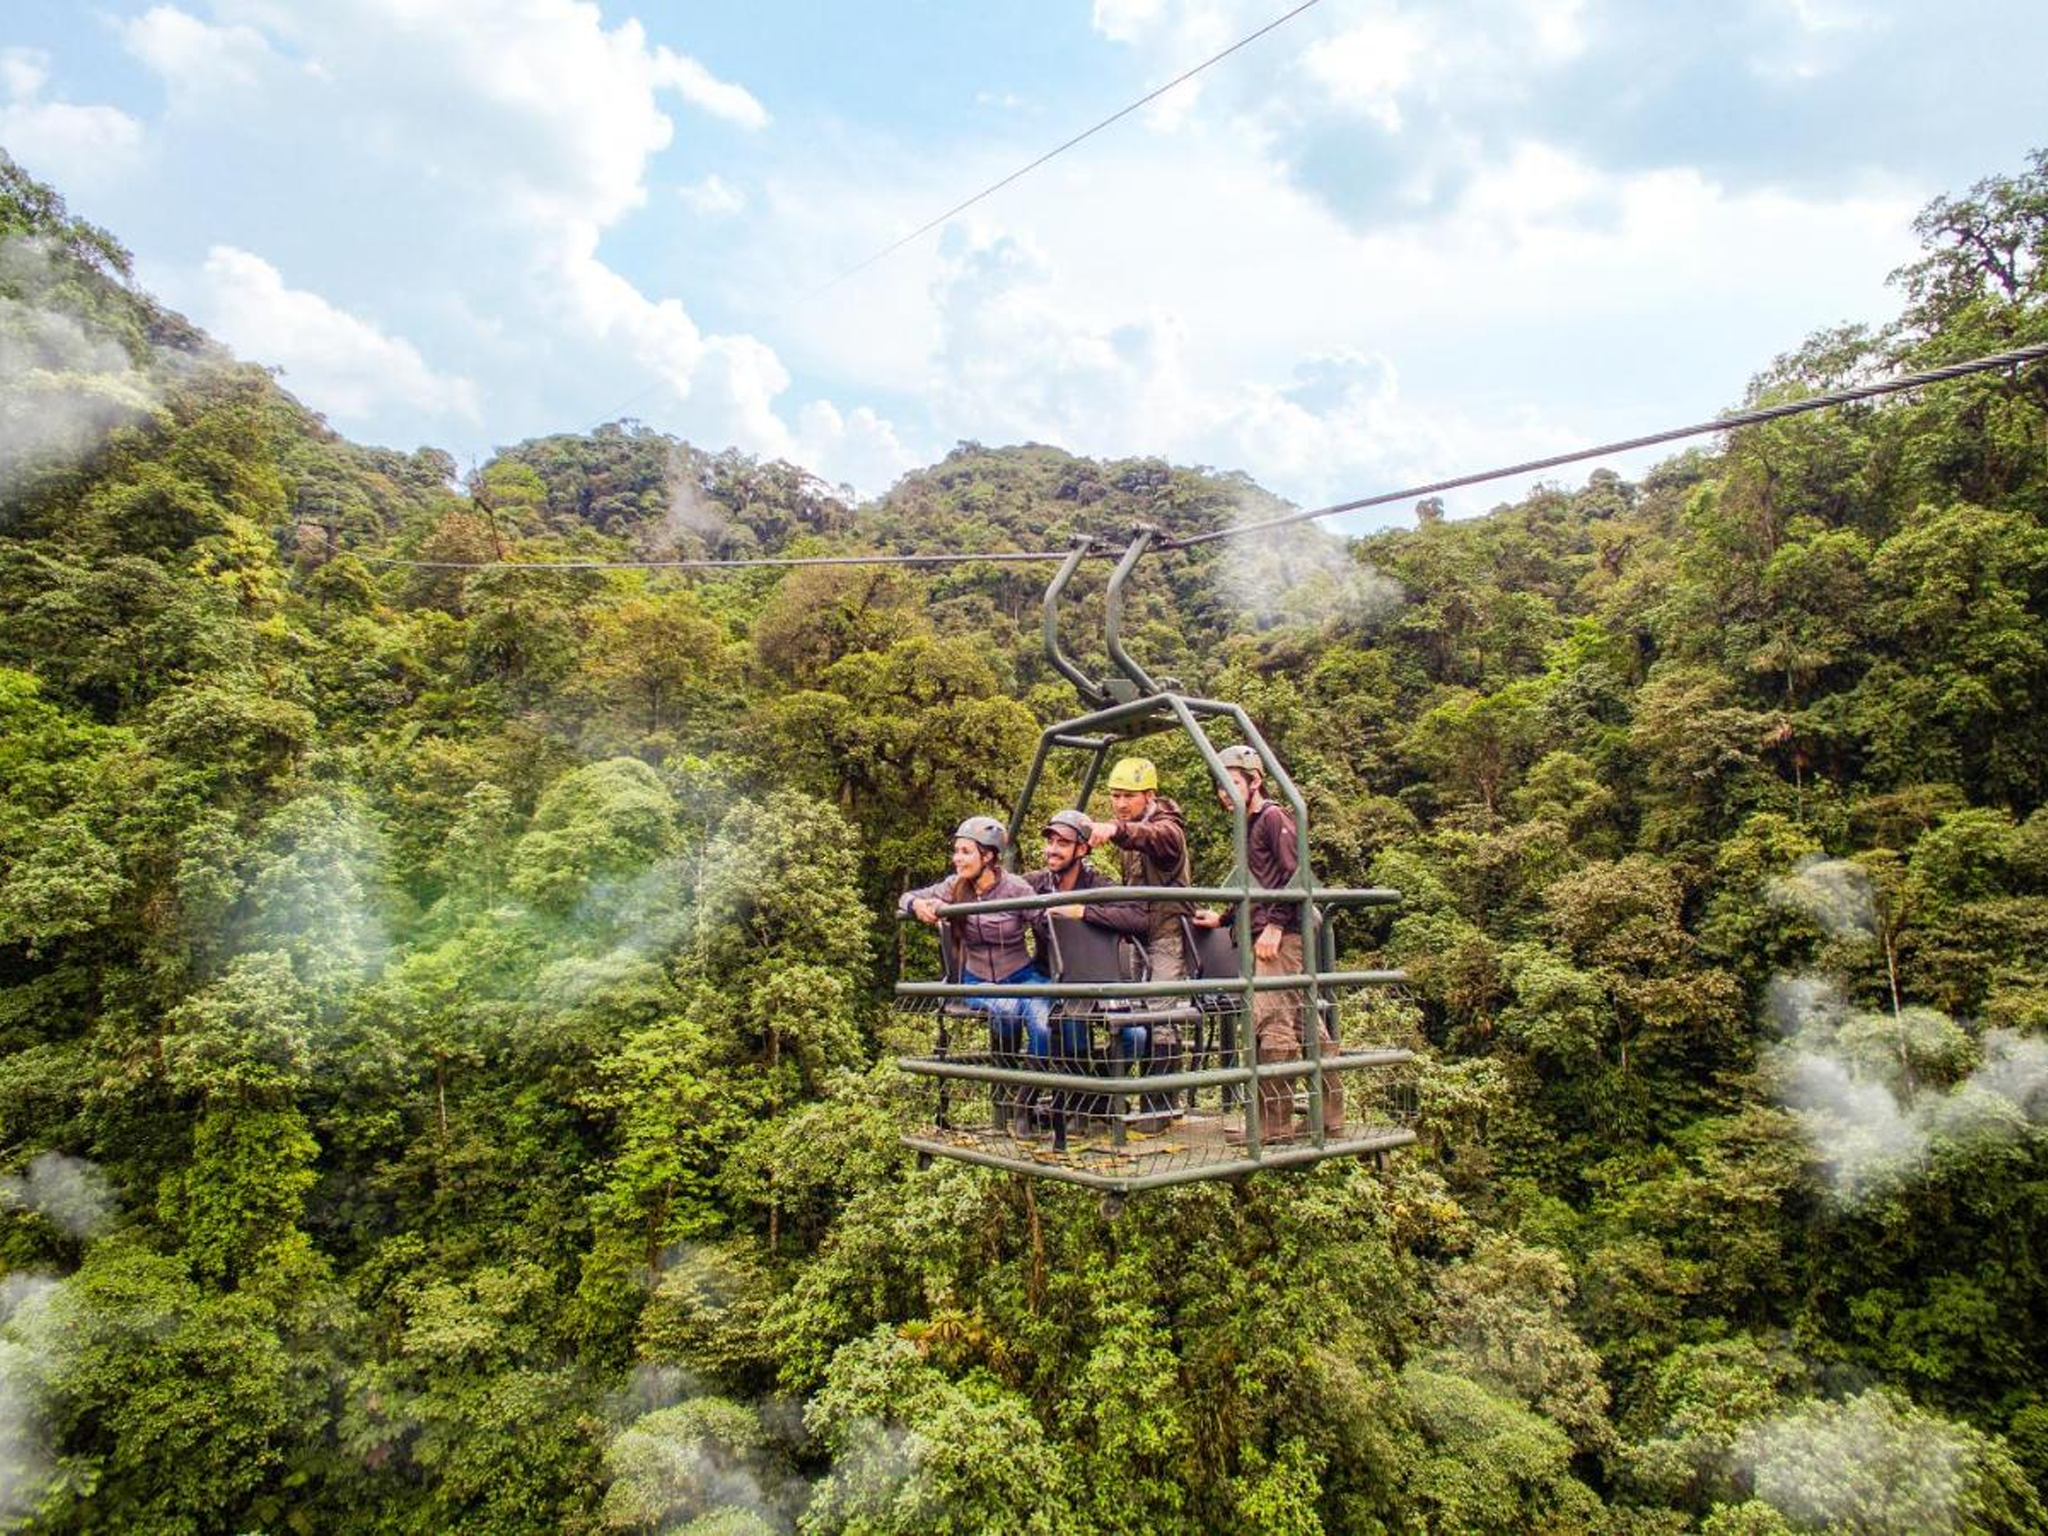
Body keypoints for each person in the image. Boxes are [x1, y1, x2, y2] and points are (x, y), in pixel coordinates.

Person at [1195, 744, 1343, 1145]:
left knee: (1271, 1023)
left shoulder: (1273, 817)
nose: (1224, 792)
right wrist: (1224, 918)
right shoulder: (1248, 824)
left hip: (1282, 936)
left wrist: (1275, 926)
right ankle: (1330, 1118)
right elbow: (1256, 882)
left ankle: (1274, 1126)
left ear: (1255, 781)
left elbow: (1295, 875)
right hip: (1272, 931)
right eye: (1220, 785)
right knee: (1303, 1021)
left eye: (1232, 783)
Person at [900, 816, 1050, 1137]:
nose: (957, 859)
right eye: (956, 851)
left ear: (989, 856)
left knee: (1042, 1023)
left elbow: (1045, 924)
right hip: (978, 978)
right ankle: (1005, 1093)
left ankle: (1025, 1101)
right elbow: (906, 896)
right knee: (1006, 1010)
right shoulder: (955, 886)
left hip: (1020, 975)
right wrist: (917, 905)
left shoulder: (1016, 888)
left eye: (966, 852)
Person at [1027, 808, 1150, 1073]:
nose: (1052, 850)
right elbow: (997, 889)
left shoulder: (1098, 886)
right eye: (1050, 842)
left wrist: (1083, 912)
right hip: (1049, 978)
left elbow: (1139, 917)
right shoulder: (1036, 884)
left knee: (1136, 1036)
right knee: (1066, 1024)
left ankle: (1096, 1087)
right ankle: (1073, 1090)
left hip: (1096, 980)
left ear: (1081, 849)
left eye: (1062, 843)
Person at [1086, 758, 1193, 981]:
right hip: (1139, 933)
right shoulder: (1128, 832)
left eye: (1129, 796)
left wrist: (1116, 829)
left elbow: (1153, 836)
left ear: (1149, 796)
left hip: (1166, 935)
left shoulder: (1168, 830)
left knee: (1162, 1001)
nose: (1121, 804)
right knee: (1137, 998)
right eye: (1116, 796)